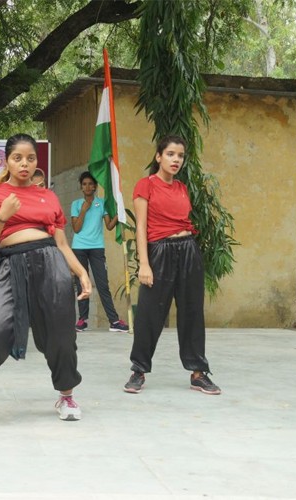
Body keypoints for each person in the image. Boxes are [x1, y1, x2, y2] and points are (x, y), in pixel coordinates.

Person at [0, 134, 92, 428]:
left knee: (61, 334)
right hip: (10, 264)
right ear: (7, 161)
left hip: (51, 263)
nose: (24, 164)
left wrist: (81, 273)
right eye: (17, 158)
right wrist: (2, 215)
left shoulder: (48, 196)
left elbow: (62, 244)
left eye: (30, 158)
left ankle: (66, 395)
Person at [124, 135, 220, 396]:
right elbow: (140, 227)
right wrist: (144, 263)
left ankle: (198, 372)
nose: (176, 159)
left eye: (180, 155)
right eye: (170, 154)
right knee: (149, 314)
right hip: (160, 252)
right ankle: (138, 370)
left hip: (188, 249)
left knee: (192, 312)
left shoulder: (182, 188)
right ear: (158, 157)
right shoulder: (145, 185)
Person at [70, 171, 129, 333]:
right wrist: (83, 210)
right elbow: (76, 228)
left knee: (103, 284)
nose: (87, 187)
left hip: (97, 248)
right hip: (79, 248)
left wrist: (119, 214)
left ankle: (114, 321)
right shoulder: (76, 204)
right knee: (82, 285)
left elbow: (109, 226)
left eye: (90, 184)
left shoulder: (101, 203)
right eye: (84, 184)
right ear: (81, 187)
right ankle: (82, 320)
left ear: (95, 186)